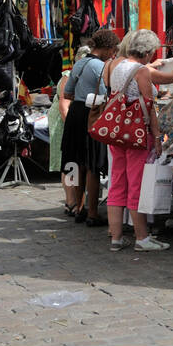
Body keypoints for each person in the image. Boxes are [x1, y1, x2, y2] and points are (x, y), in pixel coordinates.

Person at [100, 31, 173, 251]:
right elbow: (149, 107)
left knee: (118, 182)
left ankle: (116, 238)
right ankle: (142, 237)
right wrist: (158, 137)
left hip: (117, 132)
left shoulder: (115, 65)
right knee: (136, 184)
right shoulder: (141, 71)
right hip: (137, 134)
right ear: (148, 52)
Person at [61, 30, 119, 225]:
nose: (113, 54)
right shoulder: (100, 67)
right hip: (91, 114)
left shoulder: (78, 63)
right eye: (112, 50)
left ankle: (79, 207)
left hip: (75, 113)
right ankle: (93, 213)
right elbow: (106, 94)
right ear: (107, 48)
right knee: (92, 164)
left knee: (76, 163)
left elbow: (67, 93)